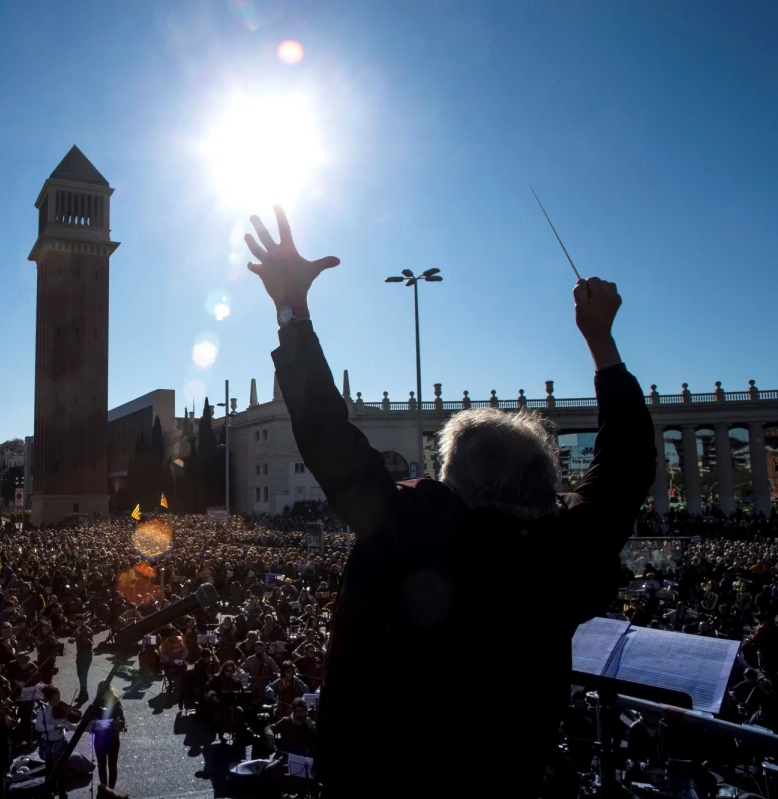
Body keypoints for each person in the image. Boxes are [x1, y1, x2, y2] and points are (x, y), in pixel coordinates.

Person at [244, 206, 656, 797]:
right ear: (542, 489)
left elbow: (324, 433)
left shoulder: (412, 535)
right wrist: (603, 342)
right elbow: (628, 468)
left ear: (456, 483)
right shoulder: (560, 555)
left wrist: (292, 310)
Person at [91, 685, 126, 793]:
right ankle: (104, 787)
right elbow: (90, 720)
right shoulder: (96, 704)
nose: (105, 694)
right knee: (101, 765)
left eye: (107, 692)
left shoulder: (116, 703)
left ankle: (111, 789)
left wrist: (118, 723)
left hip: (112, 738)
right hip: (100, 739)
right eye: (103, 692)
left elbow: (121, 721)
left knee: (112, 765)